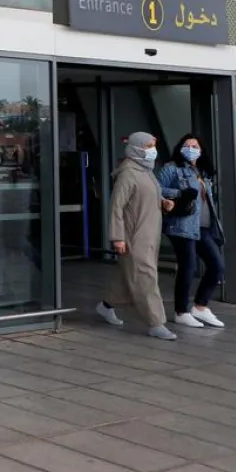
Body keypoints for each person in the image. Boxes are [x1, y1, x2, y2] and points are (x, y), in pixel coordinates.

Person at [96, 132, 178, 340]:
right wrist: (118, 237)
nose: (153, 150)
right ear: (137, 148)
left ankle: (106, 305)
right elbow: (117, 207)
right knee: (145, 277)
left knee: (129, 277)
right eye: (149, 146)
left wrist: (163, 202)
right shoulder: (128, 174)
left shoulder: (147, 171)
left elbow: (149, 195)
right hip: (135, 236)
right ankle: (155, 322)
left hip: (150, 234)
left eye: (154, 145)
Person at [158, 134, 225, 329]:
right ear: (180, 148)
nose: (190, 148)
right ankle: (181, 311)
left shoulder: (202, 171)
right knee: (188, 267)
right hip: (181, 225)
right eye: (186, 145)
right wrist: (179, 193)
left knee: (217, 266)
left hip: (203, 227)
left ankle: (200, 306)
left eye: (194, 145)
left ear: (201, 149)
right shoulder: (171, 168)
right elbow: (157, 188)